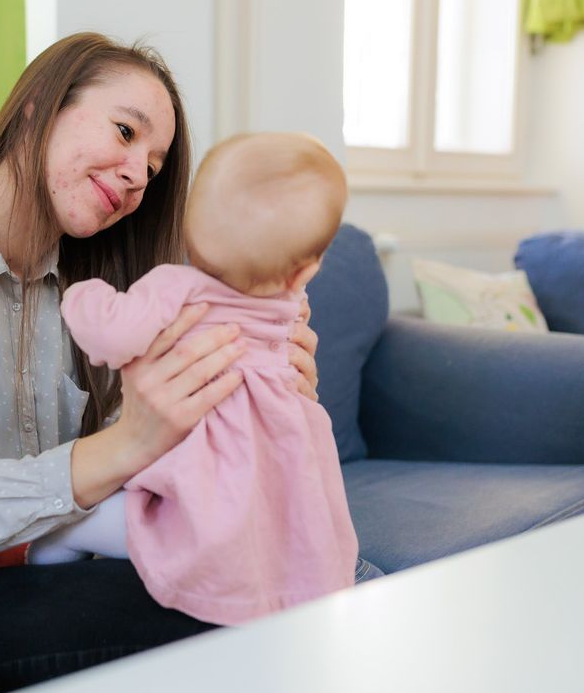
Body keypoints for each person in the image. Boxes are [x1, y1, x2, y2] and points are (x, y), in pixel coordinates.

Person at [0, 33, 326, 693]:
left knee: (296, 568)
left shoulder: (93, 301)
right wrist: (129, 441)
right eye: (125, 131)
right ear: (38, 109)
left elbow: (146, 477)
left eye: (155, 166)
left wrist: (257, 393)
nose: (139, 173)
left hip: (46, 563)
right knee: (236, 606)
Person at [26, 133, 365, 624]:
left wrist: (83, 296)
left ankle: (47, 555)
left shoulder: (176, 288)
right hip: (275, 491)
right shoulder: (291, 310)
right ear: (301, 274)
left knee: (88, 522)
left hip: (199, 496)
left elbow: (110, 337)